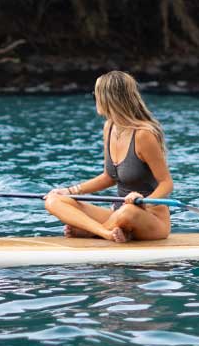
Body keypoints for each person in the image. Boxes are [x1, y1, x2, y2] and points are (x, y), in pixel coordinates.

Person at [44, 70, 173, 243]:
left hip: (150, 219)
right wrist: (69, 191)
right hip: (117, 213)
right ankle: (104, 232)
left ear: (108, 98)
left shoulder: (144, 135)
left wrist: (145, 201)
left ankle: (91, 231)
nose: (94, 97)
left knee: (128, 211)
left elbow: (166, 183)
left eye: (96, 93)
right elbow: (109, 177)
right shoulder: (110, 127)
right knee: (54, 200)